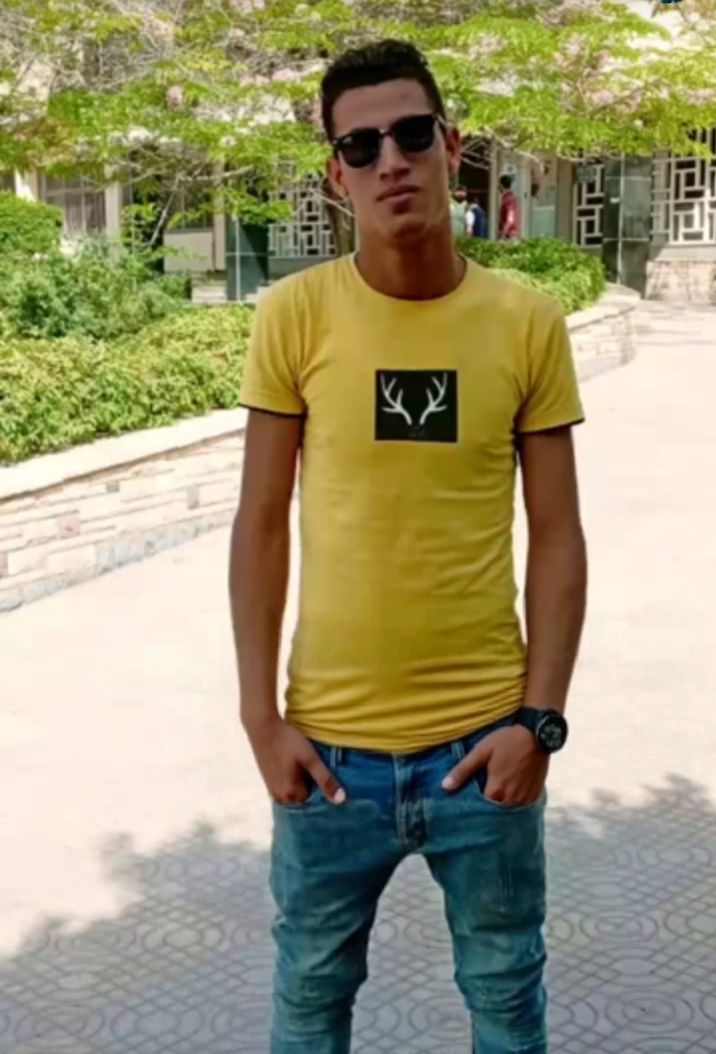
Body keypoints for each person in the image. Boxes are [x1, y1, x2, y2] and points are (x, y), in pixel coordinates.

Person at [230, 38, 587, 1054]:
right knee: (309, 1004)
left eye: (411, 133)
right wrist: (259, 718)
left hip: (484, 751)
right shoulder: (293, 315)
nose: (390, 160)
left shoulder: (526, 322)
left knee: (506, 1004)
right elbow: (259, 523)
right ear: (335, 173)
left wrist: (539, 723)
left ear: (451, 145)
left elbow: (558, 533)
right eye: (361, 145)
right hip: (328, 762)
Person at [499, 172, 519, 241]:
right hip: (510, 235)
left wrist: (502, 235)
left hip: (509, 237)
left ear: (501, 185)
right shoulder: (510, 198)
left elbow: (510, 220)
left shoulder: (508, 199)